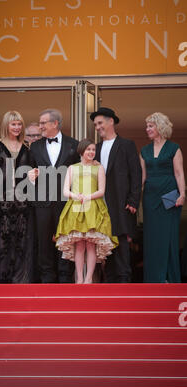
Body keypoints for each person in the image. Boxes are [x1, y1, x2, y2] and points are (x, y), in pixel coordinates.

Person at [55, 139, 118, 283]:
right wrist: (75, 196)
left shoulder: (99, 168)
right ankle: (79, 277)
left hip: (93, 207)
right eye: (88, 149)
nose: (91, 152)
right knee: (79, 244)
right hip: (76, 207)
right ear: (81, 151)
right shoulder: (72, 168)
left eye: (93, 150)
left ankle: (89, 278)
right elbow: (65, 190)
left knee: (91, 244)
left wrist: (88, 197)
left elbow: (102, 191)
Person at [91, 107, 142, 283]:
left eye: (100, 123)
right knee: (105, 251)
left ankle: (125, 290)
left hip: (121, 205)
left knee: (121, 250)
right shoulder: (95, 148)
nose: (97, 127)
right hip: (100, 207)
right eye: (95, 124)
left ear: (111, 121)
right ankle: (109, 290)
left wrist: (133, 200)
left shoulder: (127, 145)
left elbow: (136, 175)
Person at [29, 108, 80, 283]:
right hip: (42, 203)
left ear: (55, 123)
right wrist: (31, 178)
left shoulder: (74, 145)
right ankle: (47, 281)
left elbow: (80, 175)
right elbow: (28, 174)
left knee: (66, 241)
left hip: (66, 203)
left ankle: (66, 280)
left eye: (43, 123)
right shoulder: (34, 147)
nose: (40, 126)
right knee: (44, 243)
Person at [0, 110, 33, 283]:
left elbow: (28, 175)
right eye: (13, 124)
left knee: (22, 243)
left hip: (22, 201)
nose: (17, 127)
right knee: (4, 243)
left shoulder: (27, 147)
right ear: (6, 125)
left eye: (19, 124)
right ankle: (3, 283)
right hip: (3, 201)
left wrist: (33, 177)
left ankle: (20, 282)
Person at [140, 112, 185, 283]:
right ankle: (154, 280)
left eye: (151, 126)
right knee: (152, 238)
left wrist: (182, 195)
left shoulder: (174, 148)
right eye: (147, 126)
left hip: (170, 196)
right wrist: (133, 197)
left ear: (160, 127)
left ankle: (169, 278)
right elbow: (142, 178)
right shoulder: (144, 151)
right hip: (150, 197)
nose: (147, 129)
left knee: (168, 237)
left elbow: (179, 173)